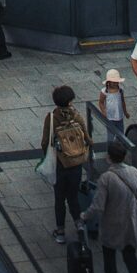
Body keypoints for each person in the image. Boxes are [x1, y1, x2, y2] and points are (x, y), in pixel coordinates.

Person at [82, 137, 137, 273]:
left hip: (113, 223)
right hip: (132, 222)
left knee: (109, 252)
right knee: (129, 254)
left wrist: (84, 216)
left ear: (109, 157)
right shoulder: (135, 172)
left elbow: (98, 206)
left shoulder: (106, 178)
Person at [40, 85, 91, 245]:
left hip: (60, 164)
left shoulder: (52, 118)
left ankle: (60, 231)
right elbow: (88, 138)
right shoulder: (76, 115)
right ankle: (79, 224)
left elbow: (45, 142)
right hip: (76, 163)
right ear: (70, 100)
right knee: (73, 196)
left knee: (59, 198)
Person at [98, 69, 129, 141]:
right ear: (108, 82)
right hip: (110, 117)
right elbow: (101, 102)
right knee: (110, 135)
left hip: (120, 116)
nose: (116, 83)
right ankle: (110, 148)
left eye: (117, 82)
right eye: (114, 82)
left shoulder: (120, 90)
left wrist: (125, 112)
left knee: (121, 134)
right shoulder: (105, 91)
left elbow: (123, 101)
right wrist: (104, 112)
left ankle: (120, 146)